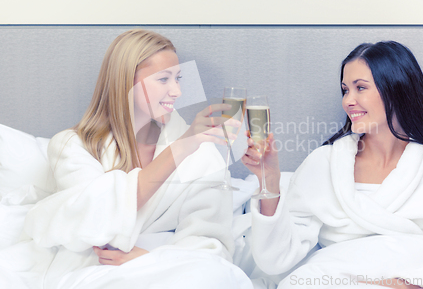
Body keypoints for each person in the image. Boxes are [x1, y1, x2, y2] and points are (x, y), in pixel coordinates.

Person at [0, 29, 253, 289]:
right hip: (97, 270)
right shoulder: (73, 146)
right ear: (126, 82)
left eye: (178, 78)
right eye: (163, 79)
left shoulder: (199, 153)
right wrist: (181, 147)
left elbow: (210, 245)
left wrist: (150, 259)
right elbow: (93, 218)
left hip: (169, 272)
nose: (177, 91)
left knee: (218, 276)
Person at [243, 41, 423, 289]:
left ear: (397, 91)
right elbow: (275, 259)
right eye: (345, 90)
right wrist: (270, 180)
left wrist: (404, 285)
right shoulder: (324, 163)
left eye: (360, 88)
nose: (347, 101)